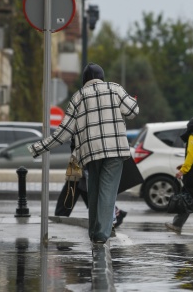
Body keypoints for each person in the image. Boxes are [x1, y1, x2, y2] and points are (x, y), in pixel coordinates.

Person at [29, 62, 139, 244]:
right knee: (107, 191)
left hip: (90, 153)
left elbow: (63, 133)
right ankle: (102, 235)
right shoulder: (115, 89)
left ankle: (95, 231)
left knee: (94, 189)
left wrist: (38, 148)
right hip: (115, 150)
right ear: (102, 78)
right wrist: (133, 101)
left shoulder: (78, 97)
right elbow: (133, 111)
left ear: (84, 81)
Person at [54, 140, 128, 233]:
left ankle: (61, 215)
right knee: (81, 186)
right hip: (79, 155)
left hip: (83, 155)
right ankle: (114, 213)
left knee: (78, 185)